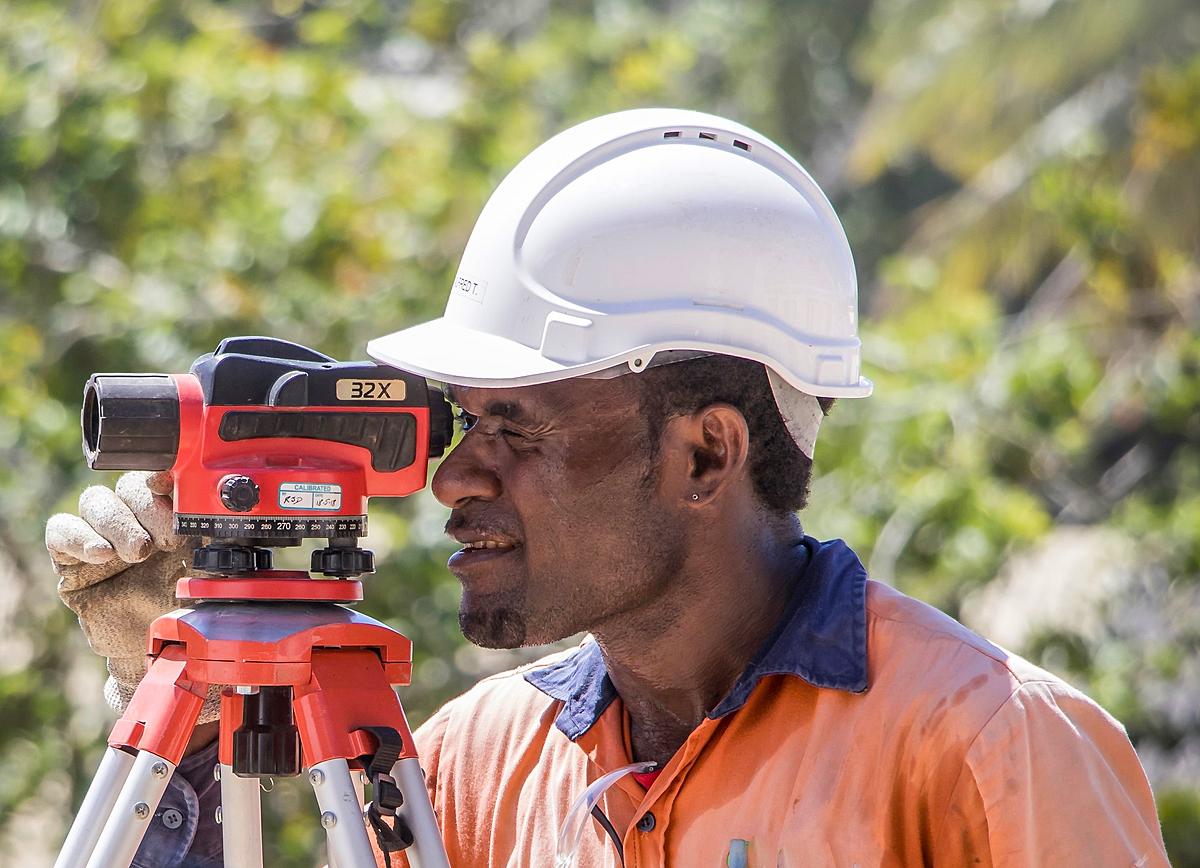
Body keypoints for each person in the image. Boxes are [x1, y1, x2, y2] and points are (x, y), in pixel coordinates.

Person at [48, 109, 1171, 867]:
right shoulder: (472, 760)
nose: (453, 477)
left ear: (705, 455)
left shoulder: (989, 743)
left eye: (513, 425)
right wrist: (185, 736)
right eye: (460, 421)